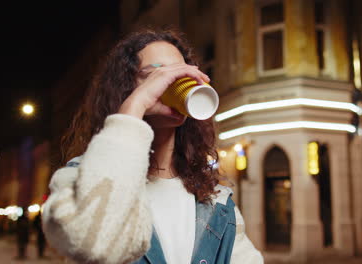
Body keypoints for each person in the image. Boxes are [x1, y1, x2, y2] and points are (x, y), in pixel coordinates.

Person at [42, 28, 263, 263]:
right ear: (125, 89)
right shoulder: (80, 177)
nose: (169, 81)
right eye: (153, 75)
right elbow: (91, 243)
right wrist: (135, 107)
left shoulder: (216, 201)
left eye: (179, 73)